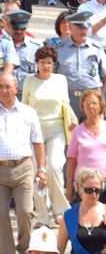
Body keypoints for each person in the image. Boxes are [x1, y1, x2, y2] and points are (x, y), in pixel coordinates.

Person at [22, 43, 75, 222]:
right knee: (38, 172)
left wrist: (73, 119)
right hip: (34, 130)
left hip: (57, 129)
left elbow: (66, 104)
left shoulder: (61, 80)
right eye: (43, 62)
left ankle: (60, 210)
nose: (46, 66)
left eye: (50, 63)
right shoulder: (29, 80)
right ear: (37, 63)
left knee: (54, 166)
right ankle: (43, 216)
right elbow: (24, 106)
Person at [0, 69, 45, 254]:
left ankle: (25, 248)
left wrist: (42, 169)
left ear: (16, 89)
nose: (3, 90)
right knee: (0, 214)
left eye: (7, 86)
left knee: (25, 212)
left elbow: (38, 142)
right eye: (0, 86)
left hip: (24, 168)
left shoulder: (28, 112)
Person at [65, 87, 106, 208]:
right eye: (87, 103)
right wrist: (69, 187)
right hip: (84, 181)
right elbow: (72, 161)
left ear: (100, 106)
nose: (91, 106)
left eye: (94, 103)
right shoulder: (77, 132)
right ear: (83, 107)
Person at [54, 9, 106, 116]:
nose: (83, 31)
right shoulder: (59, 49)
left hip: (93, 99)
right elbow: (51, 78)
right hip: (68, 101)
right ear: (70, 27)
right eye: (80, 28)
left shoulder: (96, 48)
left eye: (85, 27)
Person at [6, 8, 40, 90]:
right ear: (8, 25)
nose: (19, 32)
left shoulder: (36, 46)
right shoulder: (2, 44)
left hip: (28, 92)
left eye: (22, 28)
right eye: (15, 28)